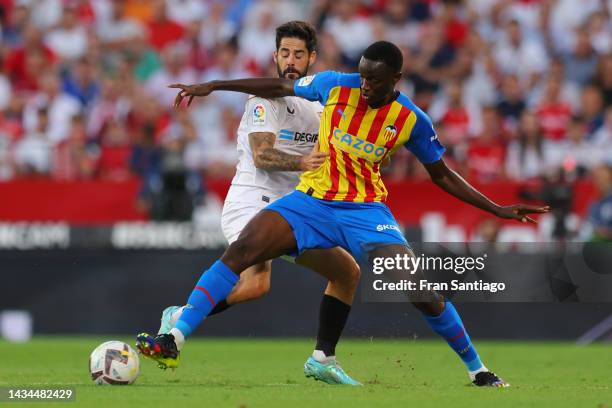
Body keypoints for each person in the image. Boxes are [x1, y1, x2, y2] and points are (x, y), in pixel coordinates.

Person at [140, 40, 549, 387]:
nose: (365, 85)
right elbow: (280, 86)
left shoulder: (410, 119)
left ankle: (478, 370)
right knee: (243, 249)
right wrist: (215, 85)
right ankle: (173, 337)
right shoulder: (336, 86)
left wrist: (496, 208)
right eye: (362, 75)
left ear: (396, 80)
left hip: (365, 211)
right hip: (310, 202)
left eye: (374, 80)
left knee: (418, 290)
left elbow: (441, 175)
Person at [140, 21, 362, 385]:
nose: (291, 60)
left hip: (293, 210)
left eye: (299, 54)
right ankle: (175, 334)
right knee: (254, 276)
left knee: (342, 273)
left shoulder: (322, 106)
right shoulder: (264, 99)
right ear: (275, 56)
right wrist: (302, 162)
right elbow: (262, 155)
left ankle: (322, 358)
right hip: (251, 201)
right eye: (285, 53)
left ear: (312, 59)